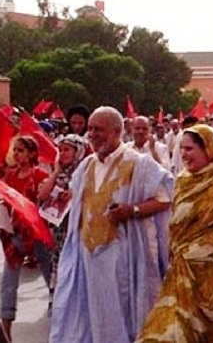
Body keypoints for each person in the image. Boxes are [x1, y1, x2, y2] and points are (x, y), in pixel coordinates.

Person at [50, 106, 174, 343]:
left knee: (125, 315)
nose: (93, 135)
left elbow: (164, 199)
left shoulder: (140, 164)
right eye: (90, 130)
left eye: (99, 130)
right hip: (89, 257)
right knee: (91, 315)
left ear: (117, 131)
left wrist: (132, 210)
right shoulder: (86, 166)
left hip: (123, 257)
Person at [138, 124, 213, 343]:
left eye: (189, 149)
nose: (183, 154)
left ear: (208, 148)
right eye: (181, 148)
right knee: (166, 329)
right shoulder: (182, 180)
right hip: (183, 273)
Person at [0, 135, 51, 340]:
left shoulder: (39, 176)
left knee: (51, 279)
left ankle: (61, 321)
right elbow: (5, 202)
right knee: (8, 284)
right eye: (15, 150)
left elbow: (45, 204)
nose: (17, 154)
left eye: (21, 150)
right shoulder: (10, 176)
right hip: (16, 234)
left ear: (31, 153)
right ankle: (5, 332)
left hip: (37, 236)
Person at [36, 134, 88, 314]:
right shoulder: (57, 173)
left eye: (67, 150)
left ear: (78, 151)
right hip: (59, 236)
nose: (62, 153)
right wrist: (56, 171)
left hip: (79, 235)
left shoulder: (86, 174)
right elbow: (42, 196)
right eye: (60, 150)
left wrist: (75, 195)